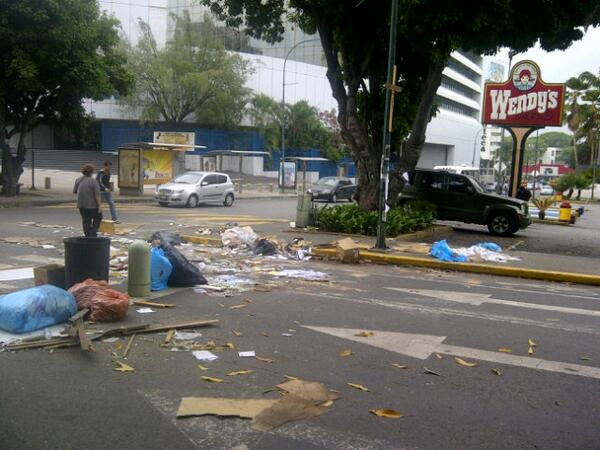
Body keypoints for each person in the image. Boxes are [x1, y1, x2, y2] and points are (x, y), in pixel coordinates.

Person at [73, 164, 102, 237]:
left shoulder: (78, 179)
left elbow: (74, 191)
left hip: (81, 204)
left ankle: (87, 235)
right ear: (92, 172)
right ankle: (92, 233)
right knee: (98, 217)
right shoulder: (93, 181)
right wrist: (99, 206)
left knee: (86, 220)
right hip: (91, 205)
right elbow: (97, 195)